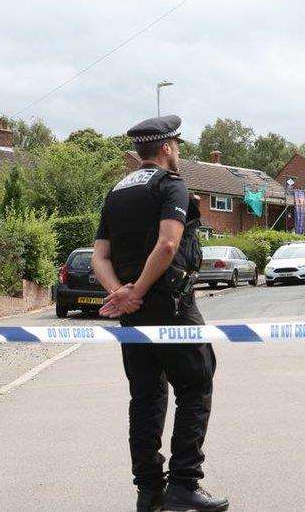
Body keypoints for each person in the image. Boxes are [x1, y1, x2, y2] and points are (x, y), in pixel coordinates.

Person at [91, 115, 229, 512]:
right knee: (195, 386)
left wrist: (120, 293)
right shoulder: (172, 185)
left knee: (146, 398)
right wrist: (139, 289)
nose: (179, 152)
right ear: (167, 148)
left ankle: (149, 491)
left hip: (132, 316)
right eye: (178, 146)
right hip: (171, 308)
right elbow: (168, 246)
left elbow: (100, 255)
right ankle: (184, 484)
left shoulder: (116, 193)